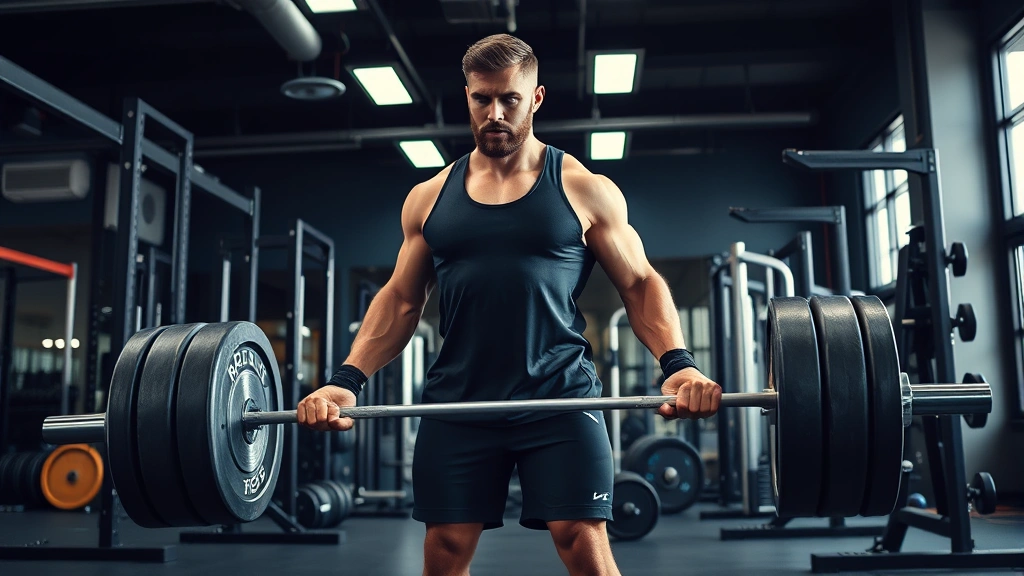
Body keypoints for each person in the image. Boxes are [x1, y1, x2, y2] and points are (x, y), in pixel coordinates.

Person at [297, 33, 722, 576]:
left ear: (536, 98)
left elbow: (639, 284)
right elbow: (402, 300)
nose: (494, 113)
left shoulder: (583, 188)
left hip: (559, 397)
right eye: (481, 99)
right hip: (460, 403)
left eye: (509, 99)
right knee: (445, 550)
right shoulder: (429, 196)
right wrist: (346, 380)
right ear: (467, 96)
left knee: (582, 543)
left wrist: (679, 366)